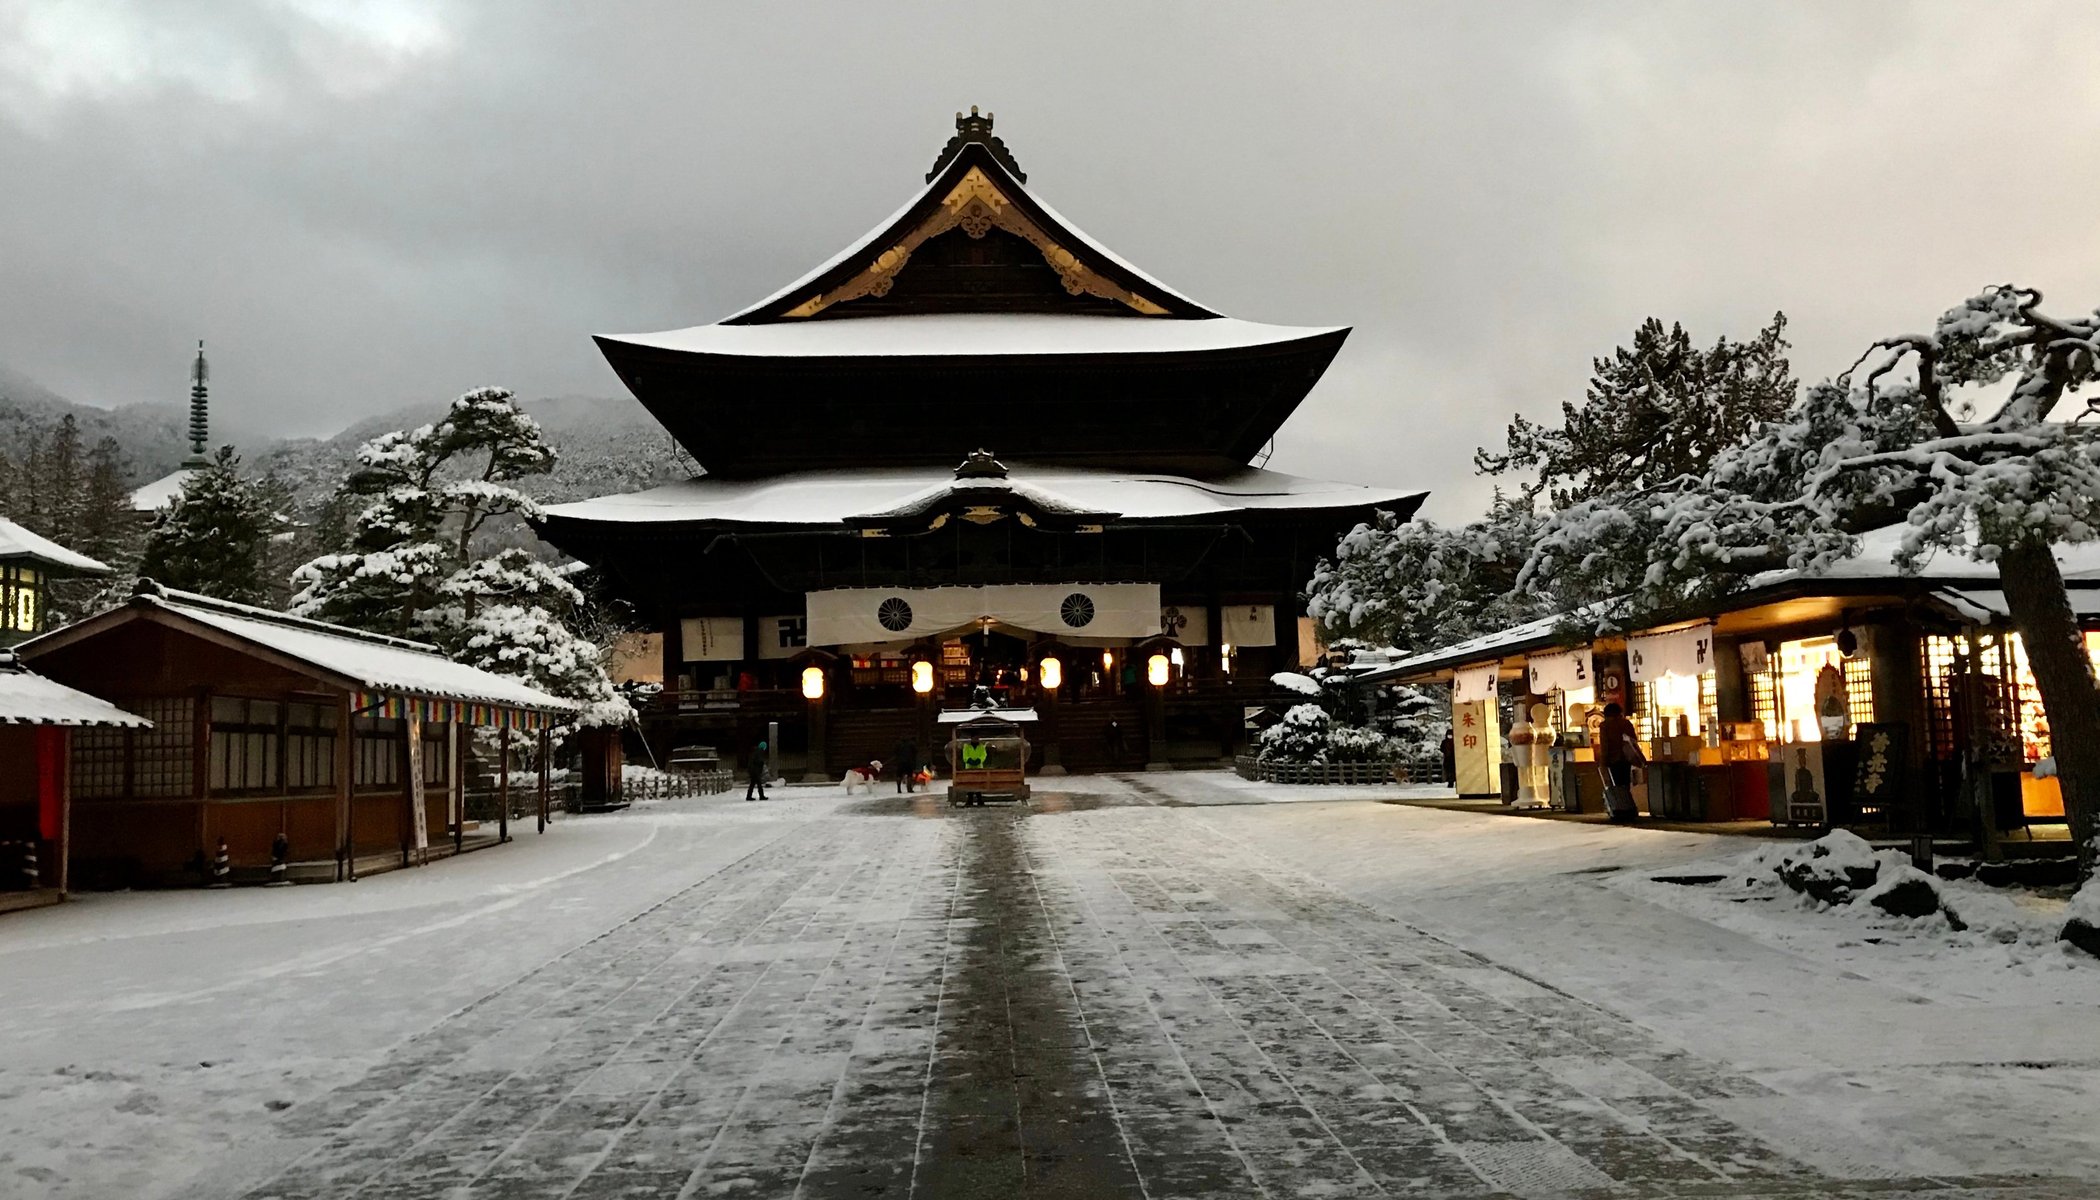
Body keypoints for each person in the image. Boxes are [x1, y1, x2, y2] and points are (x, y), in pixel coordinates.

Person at [1596, 703, 1644, 822]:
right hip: (1626, 758)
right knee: (1625, 784)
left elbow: (1605, 746)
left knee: (1615, 785)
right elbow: (1633, 740)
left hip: (1613, 760)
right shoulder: (1626, 723)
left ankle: (1620, 809)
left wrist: (1603, 762)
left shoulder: (1605, 726)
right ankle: (1629, 808)